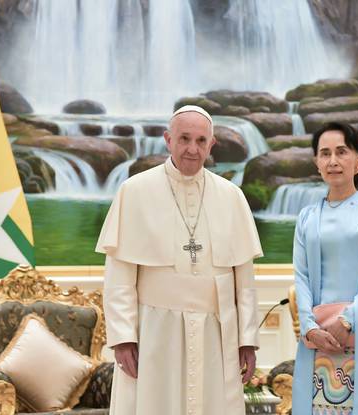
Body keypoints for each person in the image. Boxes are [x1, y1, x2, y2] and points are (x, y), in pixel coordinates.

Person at [96, 105, 263, 415]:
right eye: (184, 138)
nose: (192, 149)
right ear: (167, 140)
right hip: (156, 331)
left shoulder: (231, 196)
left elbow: (245, 279)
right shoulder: (134, 191)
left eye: (201, 141)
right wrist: (122, 337)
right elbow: (119, 276)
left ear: (211, 145)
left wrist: (247, 340)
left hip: (217, 333)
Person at [292, 122, 358, 414]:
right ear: (316, 163)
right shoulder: (306, 217)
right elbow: (301, 276)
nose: (333, 161)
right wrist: (309, 327)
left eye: (342, 152)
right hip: (320, 332)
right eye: (324, 154)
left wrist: (348, 320)